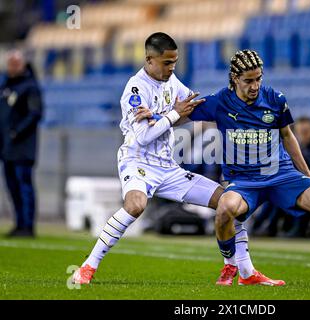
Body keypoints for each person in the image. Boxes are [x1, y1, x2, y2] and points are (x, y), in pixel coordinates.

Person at [187, 50, 310, 289]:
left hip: (281, 174)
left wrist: (306, 172)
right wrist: (157, 115)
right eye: (248, 80)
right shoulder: (219, 101)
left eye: (258, 79)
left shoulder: (275, 98)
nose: (255, 86)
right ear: (235, 78)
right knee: (224, 210)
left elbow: (287, 135)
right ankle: (230, 264)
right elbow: (185, 113)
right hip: (244, 181)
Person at [71, 32, 227, 284]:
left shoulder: (172, 81)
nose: (171, 68)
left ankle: (239, 269)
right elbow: (144, 136)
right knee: (135, 205)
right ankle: (88, 266)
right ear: (149, 60)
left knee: (228, 202)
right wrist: (173, 115)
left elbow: (191, 108)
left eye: (174, 63)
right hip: (137, 160)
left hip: (167, 166)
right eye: (166, 63)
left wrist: (228, 106)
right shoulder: (135, 90)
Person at [0, 50, 43, 238]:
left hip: (23, 147)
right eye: (10, 63)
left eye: (15, 63)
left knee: (23, 185)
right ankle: (19, 223)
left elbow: (35, 114)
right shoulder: (5, 87)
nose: (12, 67)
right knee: (12, 187)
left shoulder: (30, 86)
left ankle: (27, 225)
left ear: (23, 65)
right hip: (6, 147)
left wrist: (16, 131)